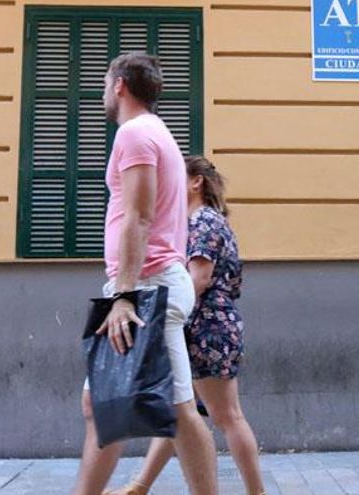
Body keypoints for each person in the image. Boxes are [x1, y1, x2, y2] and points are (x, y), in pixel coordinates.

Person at [71, 54, 217, 495]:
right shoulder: (157, 133)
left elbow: (138, 216)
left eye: (103, 83)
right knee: (103, 402)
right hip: (152, 284)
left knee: (178, 410)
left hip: (146, 288)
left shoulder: (134, 134)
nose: (101, 92)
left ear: (119, 85)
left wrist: (124, 296)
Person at [106, 157, 265, 495]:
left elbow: (199, 279)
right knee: (181, 412)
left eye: (178, 178)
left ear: (196, 183)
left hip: (206, 327)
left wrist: (162, 318)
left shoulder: (203, 220)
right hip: (201, 325)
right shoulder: (195, 221)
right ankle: (140, 485)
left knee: (227, 417)